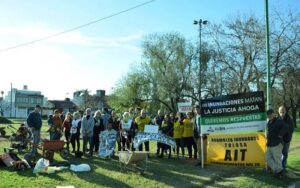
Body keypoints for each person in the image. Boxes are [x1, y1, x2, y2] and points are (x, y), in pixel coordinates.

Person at [265, 109, 288, 178]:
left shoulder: (278, 121)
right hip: (270, 144)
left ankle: (278, 174)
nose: (269, 115)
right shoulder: (269, 122)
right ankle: (277, 170)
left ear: (274, 114)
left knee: (277, 160)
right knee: (267, 158)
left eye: (271, 114)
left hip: (277, 144)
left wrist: (280, 134)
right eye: (268, 115)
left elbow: (286, 127)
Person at [278, 106, 294, 171]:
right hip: (278, 140)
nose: (282, 113)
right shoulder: (277, 119)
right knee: (278, 154)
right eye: (280, 112)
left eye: (283, 111)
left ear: (285, 111)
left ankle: (283, 167)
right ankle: (279, 167)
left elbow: (290, 129)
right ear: (278, 112)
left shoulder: (289, 119)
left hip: (286, 140)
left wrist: (281, 134)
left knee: (285, 154)